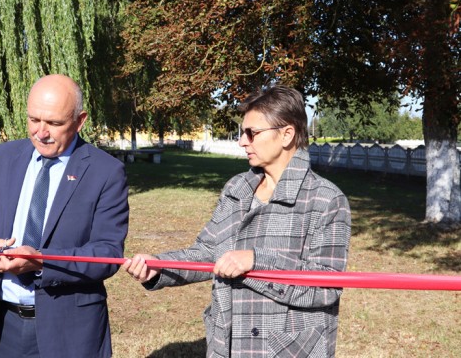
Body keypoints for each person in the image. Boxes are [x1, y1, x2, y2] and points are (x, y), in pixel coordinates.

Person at [123, 85, 351, 358]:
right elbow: (208, 253)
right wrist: (159, 269)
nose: (242, 141)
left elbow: (326, 287)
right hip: (228, 345)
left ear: (287, 134)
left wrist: (256, 261)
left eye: (252, 133)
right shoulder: (237, 188)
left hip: (289, 350)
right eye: (243, 133)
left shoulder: (326, 200)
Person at [0, 74, 129, 358]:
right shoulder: (0, 158)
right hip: (2, 322)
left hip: (69, 329)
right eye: (34, 120)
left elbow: (107, 252)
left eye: (54, 123)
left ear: (79, 120)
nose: (41, 132)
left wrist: (41, 262)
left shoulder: (105, 172)